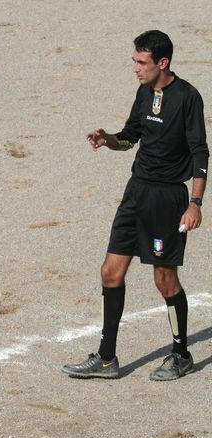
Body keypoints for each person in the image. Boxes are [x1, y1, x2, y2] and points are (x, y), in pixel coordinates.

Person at [64, 30, 207, 381]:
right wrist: (108, 139)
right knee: (110, 272)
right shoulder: (144, 92)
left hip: (167, 200)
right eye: (135, 61)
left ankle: (181, 355)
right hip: (135, 193)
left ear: (163, 62)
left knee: (164, 279)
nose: (135, 68)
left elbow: (200, 153)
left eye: (142, 62)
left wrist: (195, 203)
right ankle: (106, 358)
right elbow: (131, 137)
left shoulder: (188, 97)